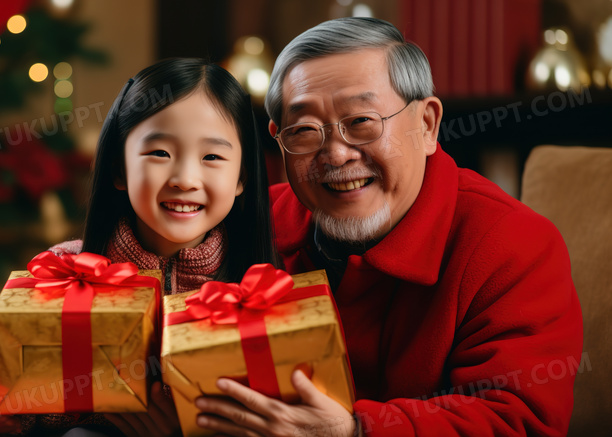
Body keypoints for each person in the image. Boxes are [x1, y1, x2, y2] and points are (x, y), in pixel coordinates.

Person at [192, 17, 583, 437]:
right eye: (304, 130)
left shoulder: (513, 245)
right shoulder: (250, 222)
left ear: (427, 125)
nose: (337, 154)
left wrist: (354, 431)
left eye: (361, 121)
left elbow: (517, 419)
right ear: (278, 139)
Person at [0, 57, 281, 437]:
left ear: (241, 179)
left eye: (212, 157)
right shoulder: (61, 272)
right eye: (160, 153)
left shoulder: (262, 291)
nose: (185, 178)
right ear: (119, 169)